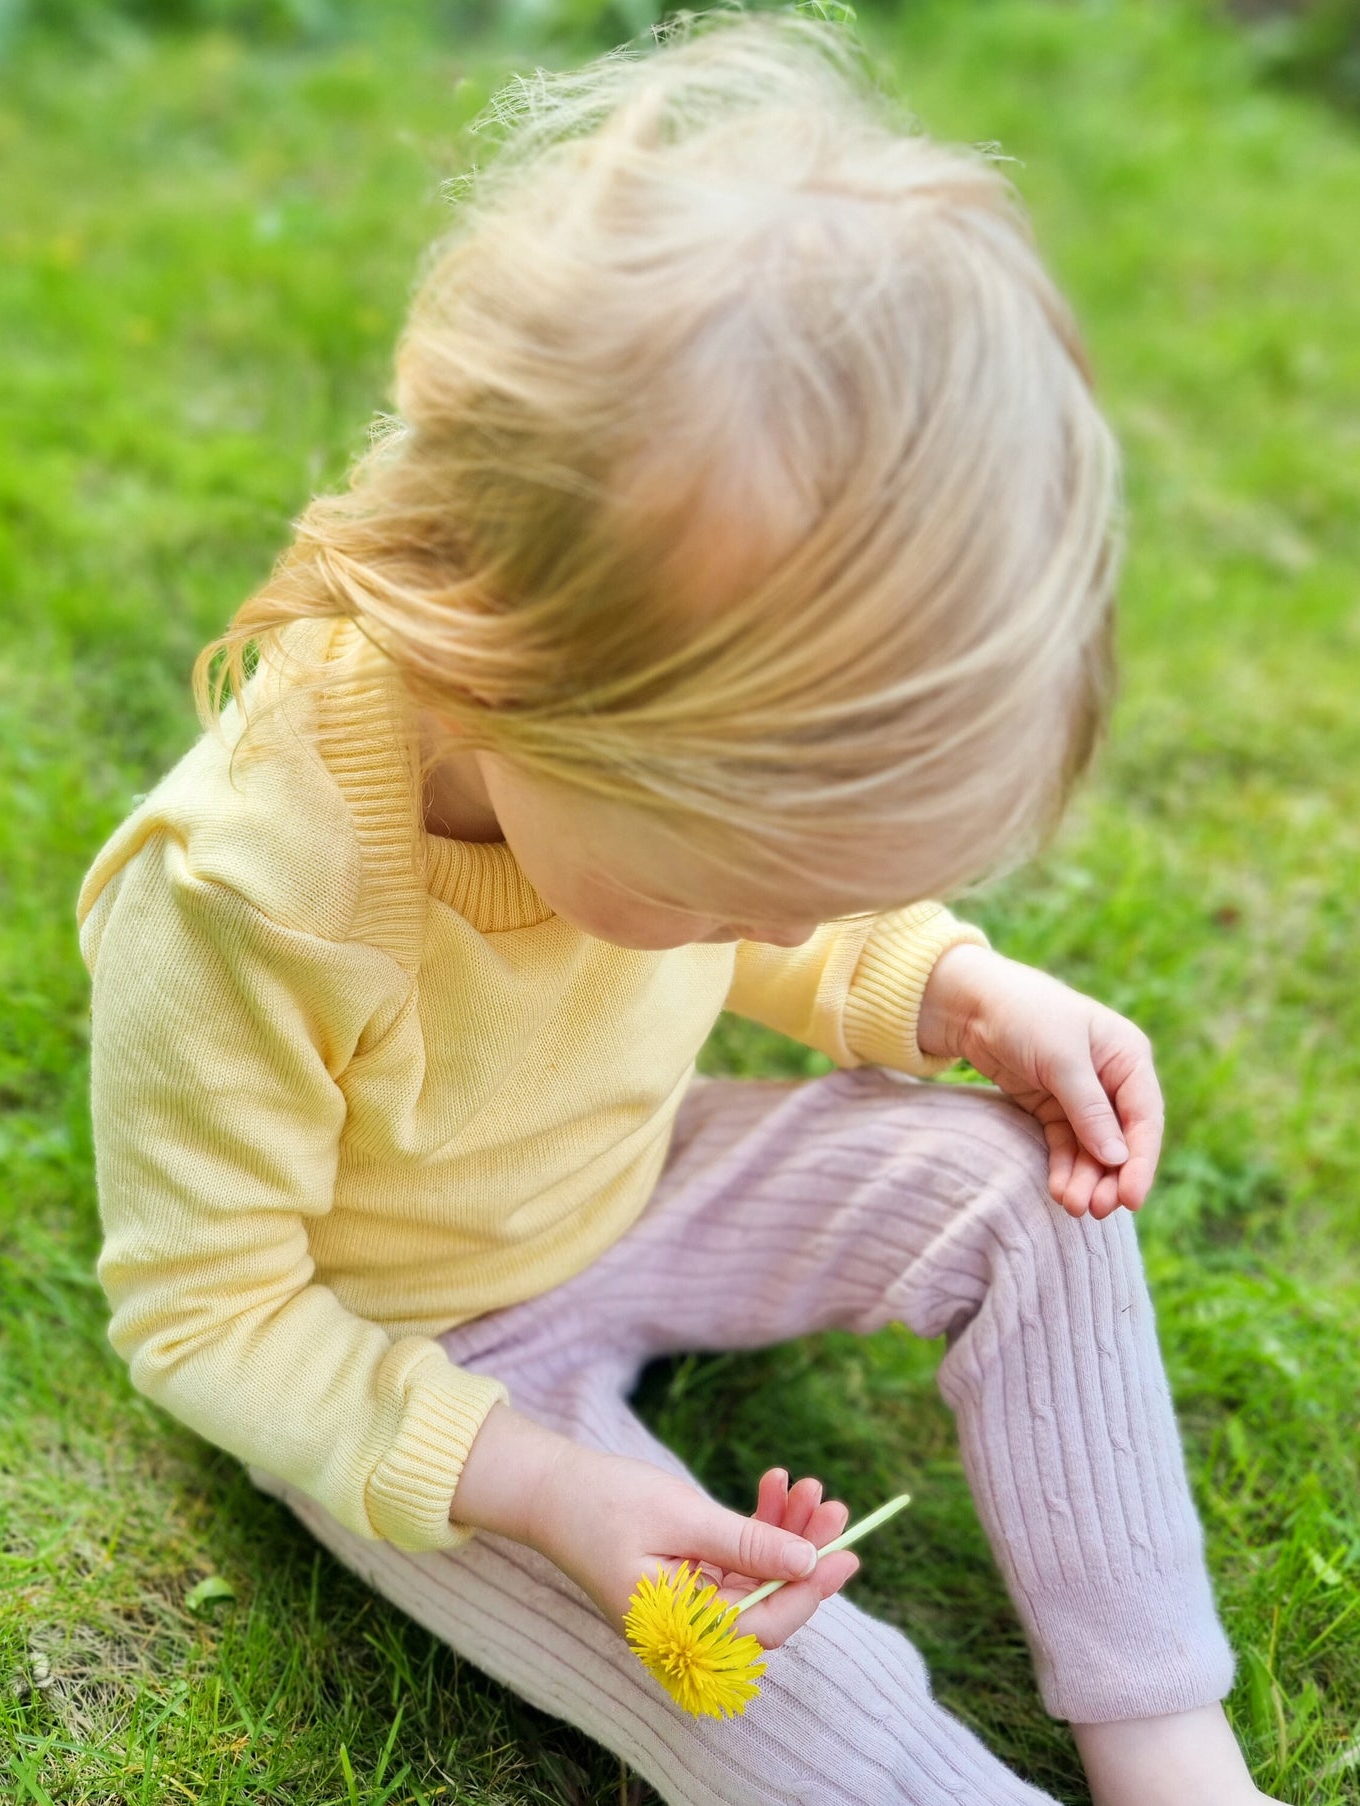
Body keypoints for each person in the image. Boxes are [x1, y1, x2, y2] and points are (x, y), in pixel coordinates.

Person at [76, 12, 1278, 1802]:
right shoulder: (255, 895)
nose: (756, 925)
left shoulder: (628, 777)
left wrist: (951, 989)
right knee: (784, 1701)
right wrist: (545, 1489)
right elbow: (204, 1308)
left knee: (1024, 1188)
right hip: (412, 1366)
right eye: (721, 880)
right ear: (496, 658)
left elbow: (775, 916)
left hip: (635, 1182)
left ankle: (1165, 1748)